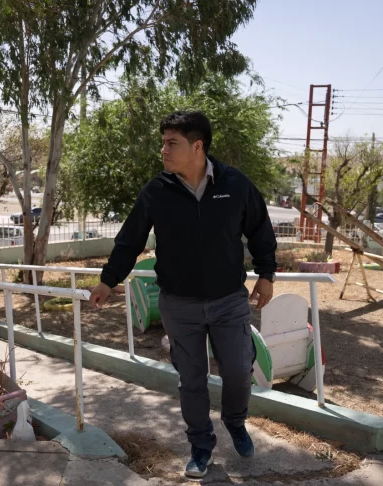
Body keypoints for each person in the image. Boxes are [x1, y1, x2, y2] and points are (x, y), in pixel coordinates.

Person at [89, 111, 277, 479]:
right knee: (191, 380)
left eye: (171, 143)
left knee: (239, 371)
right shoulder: (157, 191)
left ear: (197, 146)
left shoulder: (235, 184)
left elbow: (260, 230)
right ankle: (201, 446)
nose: (163, 150)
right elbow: (130, 239)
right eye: (163, 142)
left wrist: (267, 274)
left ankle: (235, 422)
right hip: (179, 305)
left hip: (229, 301)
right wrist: (107, 279)